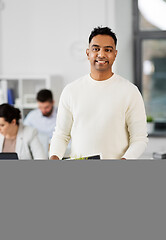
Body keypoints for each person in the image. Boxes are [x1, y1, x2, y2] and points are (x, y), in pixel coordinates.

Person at [49, 26, 148, 160]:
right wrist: (54, 157)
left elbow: (139, 139)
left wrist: (125, 161)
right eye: (96, 49)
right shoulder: (71, 90)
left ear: (115, 54)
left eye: (108, 50)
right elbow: (61, 135)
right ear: (88, 53)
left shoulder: (130, 91)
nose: (101, 55)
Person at [24, 89, 57, 155]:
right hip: (37, 151)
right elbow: (24, 133)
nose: (43, 110)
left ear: (53, 102)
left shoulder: (62, 114)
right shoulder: (32, 116)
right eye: (40, 107)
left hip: (58, 151)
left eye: (46, 107)